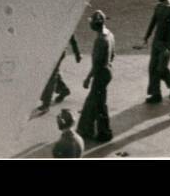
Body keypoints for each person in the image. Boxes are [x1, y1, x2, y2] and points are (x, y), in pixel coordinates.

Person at [136, 0, 170, 104]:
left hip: (166, 43)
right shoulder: (158, 7)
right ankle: (156, 94)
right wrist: (146, 37)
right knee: (152, 68)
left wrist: (168, 47)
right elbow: (153, 22)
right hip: (157, 42)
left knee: (160, 69)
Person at [77, 11, 114, 145]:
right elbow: (112, 55)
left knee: (99, 104)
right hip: (107, 71)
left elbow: (97, 64)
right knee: (93, 100)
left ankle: (105, 132)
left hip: (100, 74)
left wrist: (88, 78)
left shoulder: (100, 40)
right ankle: (86, 128)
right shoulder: (109, 34)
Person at [39, 35, 82, 111]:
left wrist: (77, 54)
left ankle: (46, 103)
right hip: (50, 49)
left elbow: (71, 36)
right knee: (52, 72)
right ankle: (63, 89)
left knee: (51, 75)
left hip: (57, 51)